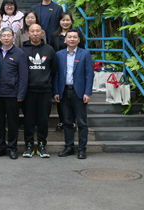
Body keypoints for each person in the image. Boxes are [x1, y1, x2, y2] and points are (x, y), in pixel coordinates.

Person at [54, 29, 94, 159]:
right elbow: (56, 74)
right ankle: (69, 147)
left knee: (82, 122)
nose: (72, 39)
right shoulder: (59, 54)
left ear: (79, 40)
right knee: (67, 121)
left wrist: (87, 92)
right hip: (64, 91)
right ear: (65, 40)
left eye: (74, 37)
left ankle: (82, 149)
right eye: (69, 37)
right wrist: (56, 91)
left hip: (80, 92)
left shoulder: (85, 54)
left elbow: (89, 74)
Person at [0, 27, 28, 160]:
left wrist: (21, 94)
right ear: (0, 38)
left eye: (9, 35)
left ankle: (12, 148)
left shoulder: (20, 53)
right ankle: (0, 148)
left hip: (13, 94)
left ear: (13, 38)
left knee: (13, 123)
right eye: (4, 36)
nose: (6, 38)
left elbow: (23, 76)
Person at [21, 24, 57, 158]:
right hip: (28, 91)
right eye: (32, 31)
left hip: (45, 91)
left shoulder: (49, 49)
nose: (35, 33)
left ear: (42, 33)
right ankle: (29, 145)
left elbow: (53, 70)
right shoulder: (22, 50)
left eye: (37, 31)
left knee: (43, 119)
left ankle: (42, 145)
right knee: (28, 120)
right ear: (28, 33)